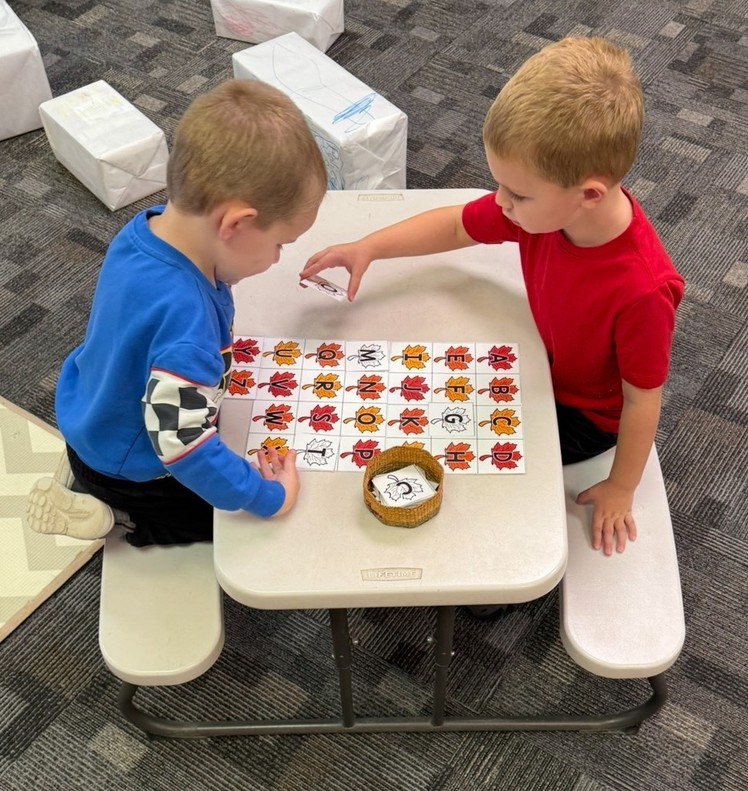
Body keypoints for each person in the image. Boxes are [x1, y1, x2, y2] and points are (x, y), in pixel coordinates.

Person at [299, 37, 684, 559]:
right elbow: (458, 224)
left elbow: (643, 400)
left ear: (589, 194)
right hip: (540, 360)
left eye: (517, 194)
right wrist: (370, 246)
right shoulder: (547, 210)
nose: (501, 202)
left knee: (464, 459)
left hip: (586, 417)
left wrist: (621, 487)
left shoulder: (641, 290)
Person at [26, 79, 328, 547]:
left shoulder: (145, 229)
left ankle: (88, 467)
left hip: (91, 411)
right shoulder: (186, 329)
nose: (276, 259)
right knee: (220, 527)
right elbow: (183, 448)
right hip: (133, 471)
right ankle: (115, 517)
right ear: (235, 225)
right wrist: (268, 497)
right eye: (278, 244)